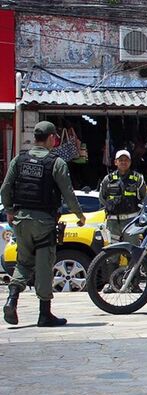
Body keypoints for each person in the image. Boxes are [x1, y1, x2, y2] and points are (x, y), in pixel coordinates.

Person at [1, 121, 86, 327]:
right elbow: (68, 193)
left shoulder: (18, 160)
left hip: (21, 221)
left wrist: (10, 211)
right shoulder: (55, 163)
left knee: (23, 262)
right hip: (44, 222)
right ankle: (44, 314)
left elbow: (5, 189)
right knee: (44, 266)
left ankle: (12, 299)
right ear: (50, 138)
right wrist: (79, 216)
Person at [99, 150, 147, 244]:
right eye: (121, 160)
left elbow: (144, 198)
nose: (123, 162)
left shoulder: (138, 178)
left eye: (126, 160)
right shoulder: (108, 179)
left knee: (132, 251)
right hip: (113, 223)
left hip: (131, 222)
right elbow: (101, 198)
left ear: (130, 162)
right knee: (112, 253)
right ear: (115, 162)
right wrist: (109, 207)